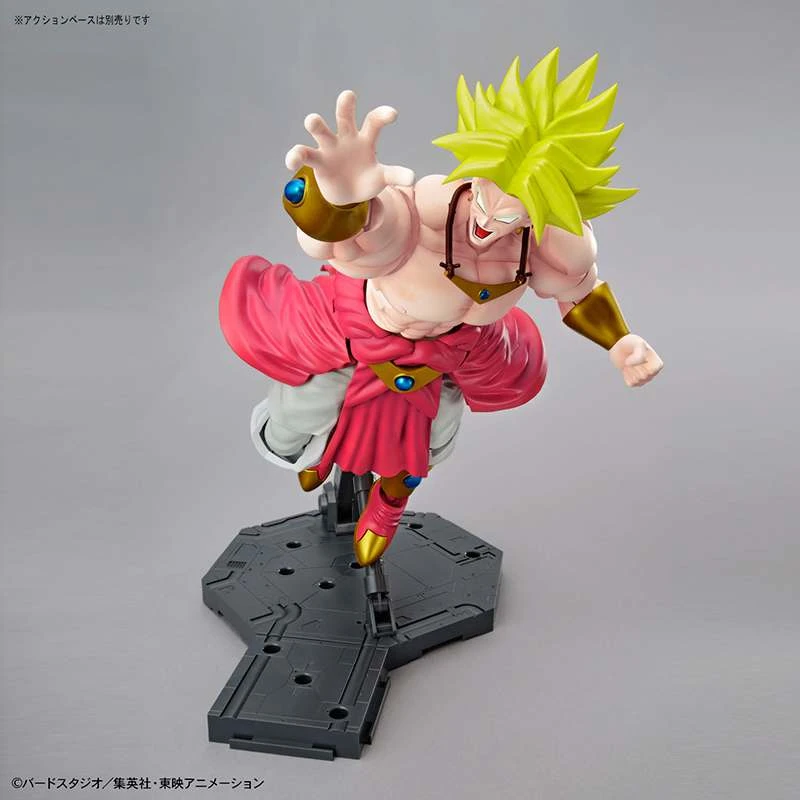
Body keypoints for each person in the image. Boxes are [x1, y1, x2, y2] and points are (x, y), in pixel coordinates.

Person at [219, 49, 663, 567]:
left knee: (427, 444)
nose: (490, 218)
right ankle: (326, 454)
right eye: (488, 193)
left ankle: (389, 503)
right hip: (358, 334)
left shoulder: (551, 244)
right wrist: (340, 200)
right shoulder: (426, 209)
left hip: (450, 355)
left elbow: (580, 291)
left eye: (516, 212)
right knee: (294, 420)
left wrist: (621, 342)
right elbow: (353, 236)